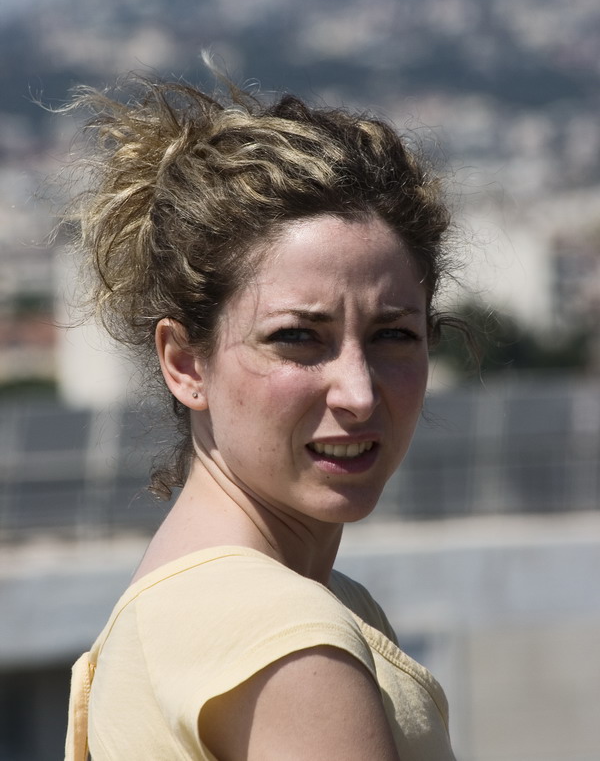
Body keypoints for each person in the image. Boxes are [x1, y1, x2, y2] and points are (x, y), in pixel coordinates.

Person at [64, 69, 459, 760]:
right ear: (185, 363)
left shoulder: (184, 605)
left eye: (394, 335)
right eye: (297, 337)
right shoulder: (285, 641)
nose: (359, 393)